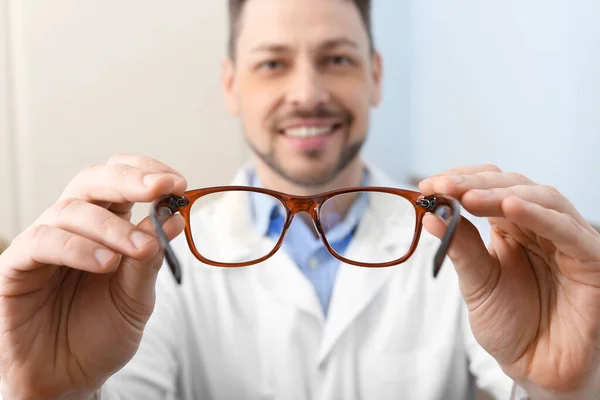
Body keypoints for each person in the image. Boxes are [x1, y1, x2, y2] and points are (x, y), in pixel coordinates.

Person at [1, 0, 599, 399]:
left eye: (337, 59)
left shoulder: (464, 254)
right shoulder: (156, 264)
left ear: (376, 76)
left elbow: (541, 373)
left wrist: (568, 388)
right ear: (232, 86)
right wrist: (50, 391)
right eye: (273, 64)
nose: (307, 93)